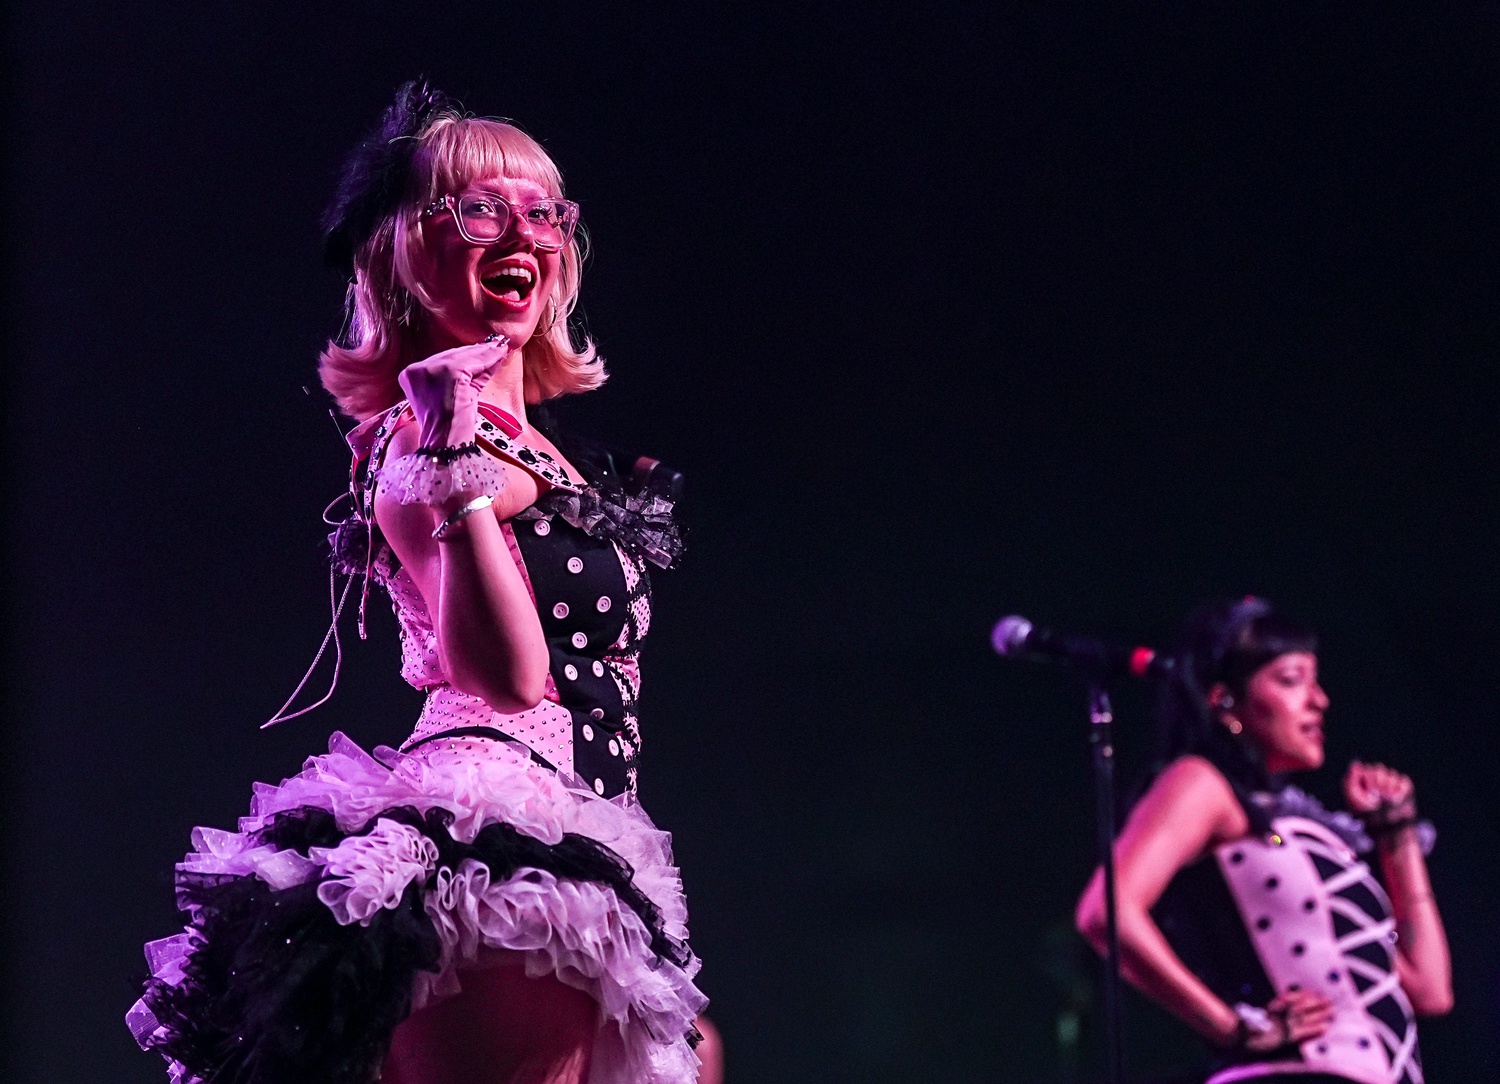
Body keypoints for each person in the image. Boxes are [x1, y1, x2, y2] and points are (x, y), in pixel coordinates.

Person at [127, 81, 708, 1084]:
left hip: (595, 835)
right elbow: (513, 672)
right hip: (503, 842)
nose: (517, 232)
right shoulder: (423, 444)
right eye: (478, 210)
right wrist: (449, 451)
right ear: (401, 257)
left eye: (541, 212)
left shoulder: (546, 452)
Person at [1075, 598, 1451, 1084]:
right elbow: (1105, 912)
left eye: (1315, 682)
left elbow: (1430, 991)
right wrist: (1232, 1028)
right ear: (1224, 700)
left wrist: (1396, 837)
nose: (1319, 700)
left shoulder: (1310, 830)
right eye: (1292, 680)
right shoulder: (1200, 783)